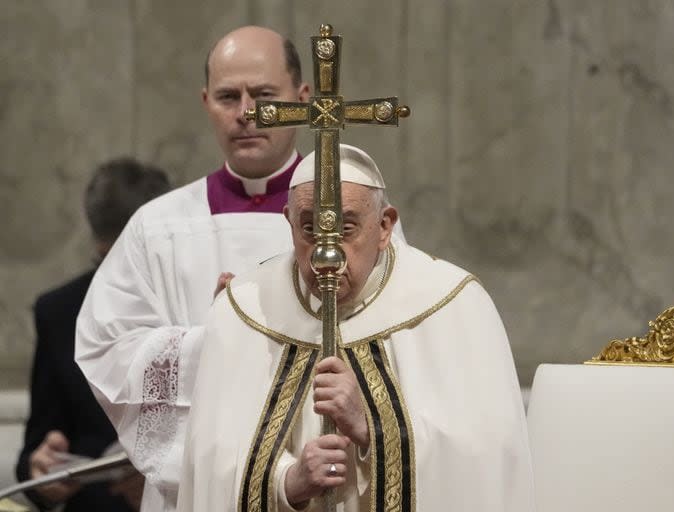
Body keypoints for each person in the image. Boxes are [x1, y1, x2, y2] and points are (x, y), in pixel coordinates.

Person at [176, 144, 535, 511]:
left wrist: (372, 427)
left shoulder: (454, 305)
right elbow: (208, 460)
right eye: (310, 229)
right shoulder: (243, 310)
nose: (325, 254)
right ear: (288, 222)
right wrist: (287, 481)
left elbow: (487, 458)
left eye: (345, 228)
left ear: (384, 226)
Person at [75, 26, 311, 512]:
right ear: (206, 102)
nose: (246, 112)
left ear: (304, 98)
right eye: (228, 96)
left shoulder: (351, 217)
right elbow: (104, 348)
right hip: (197, 495)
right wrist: (209, 341)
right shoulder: (159, 226)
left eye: (264, 95)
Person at [16, 158, 171, 512]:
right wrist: (40, 468)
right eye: (107, 262)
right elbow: (37, 448)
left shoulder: (191, 302)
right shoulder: (58, 310)